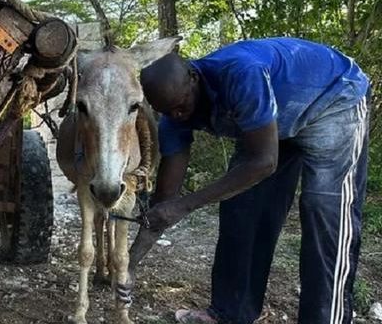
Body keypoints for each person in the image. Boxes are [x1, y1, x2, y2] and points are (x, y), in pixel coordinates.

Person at [137, 37, 370, 323]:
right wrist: (128, 267)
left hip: (333, 102)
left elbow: (264, 161)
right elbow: (164, 202)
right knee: (242, 206)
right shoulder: (173, 113)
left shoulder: (240, 73)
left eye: (181, 106)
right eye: (167, 111)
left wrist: (186, 206)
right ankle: (230, 313)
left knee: (324, 212)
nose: (177, 115)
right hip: (270, 123)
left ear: (194, 78)